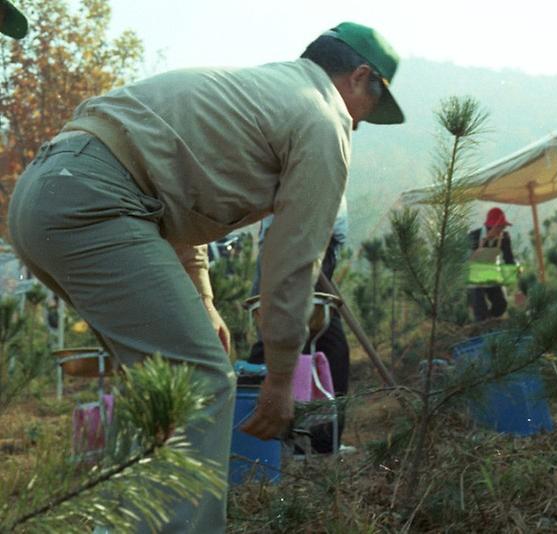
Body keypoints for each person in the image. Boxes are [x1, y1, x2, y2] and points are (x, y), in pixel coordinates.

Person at [7, 21, 403, 533]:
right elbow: (292, 261)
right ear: (360, 77)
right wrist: (282, 377)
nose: (363, 124)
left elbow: (173, 197)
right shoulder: (322, 118)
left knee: (163, 385)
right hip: (93, 202)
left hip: (47, 194)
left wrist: (205, 301)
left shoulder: (262, 92)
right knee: (201, 380)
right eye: (374, 108)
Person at [246, 198, 351, 454]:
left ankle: (321, 440)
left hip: (318, 241)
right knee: (281, 339)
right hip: (293, 240)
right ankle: (266, 438)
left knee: (326, 343)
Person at [467, 207, 517, 321]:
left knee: (501, 305)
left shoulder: (504, 238)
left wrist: (513, 275)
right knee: (480, 310)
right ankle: (483, 326)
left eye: (503, 227)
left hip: (491, 271)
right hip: (474, 275)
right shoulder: (473, 236)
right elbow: (466, 259)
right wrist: (482, 244)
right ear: (492, 226)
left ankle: (491, 323)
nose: (502, 230)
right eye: (500, 227)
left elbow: (509, 258)